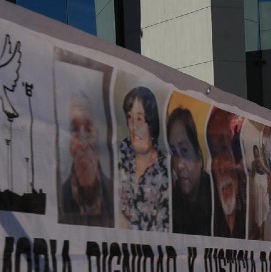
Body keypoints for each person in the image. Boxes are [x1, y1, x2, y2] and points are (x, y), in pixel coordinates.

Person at [118, 86, 169, 231]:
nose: (133, 126)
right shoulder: (122, 150)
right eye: (130, 117)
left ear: (151, 122)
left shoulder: (165, 171)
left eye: (139, 118)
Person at [59, 91, 113, 227]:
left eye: (88, 129)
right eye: (75, 129)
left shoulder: (116, 194)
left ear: (98, 135)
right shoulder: (59, 198)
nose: (83, 141)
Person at [167, 108, 212, 235]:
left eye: (184, 150)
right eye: (174, 152)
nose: (179, 165)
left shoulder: (215, 197)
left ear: (199, 155)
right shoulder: (172, 203)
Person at [205, 109, 248, 238]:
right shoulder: (206, 225)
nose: (223, 167)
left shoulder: (249, 220)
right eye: (213, 154)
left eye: (224, 148)